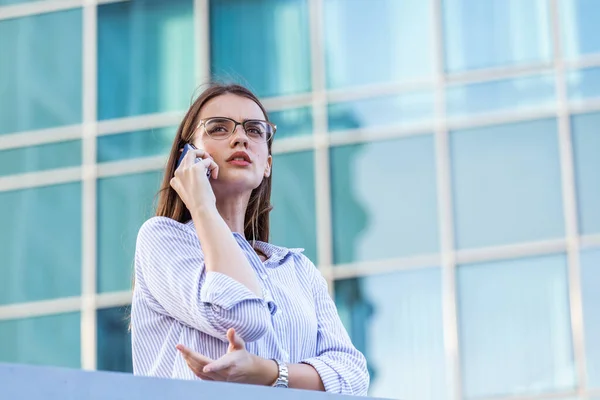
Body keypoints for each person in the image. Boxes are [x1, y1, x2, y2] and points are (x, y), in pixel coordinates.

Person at [130, 83, 369, 395]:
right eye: (218, 128)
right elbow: (242, 317)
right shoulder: (163, 240)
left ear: (267, 163)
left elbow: (353, 379)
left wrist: (267, 372)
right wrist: (201, 205)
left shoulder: (296, 269)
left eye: (255, 131)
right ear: (187, 158)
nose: (240, 137)